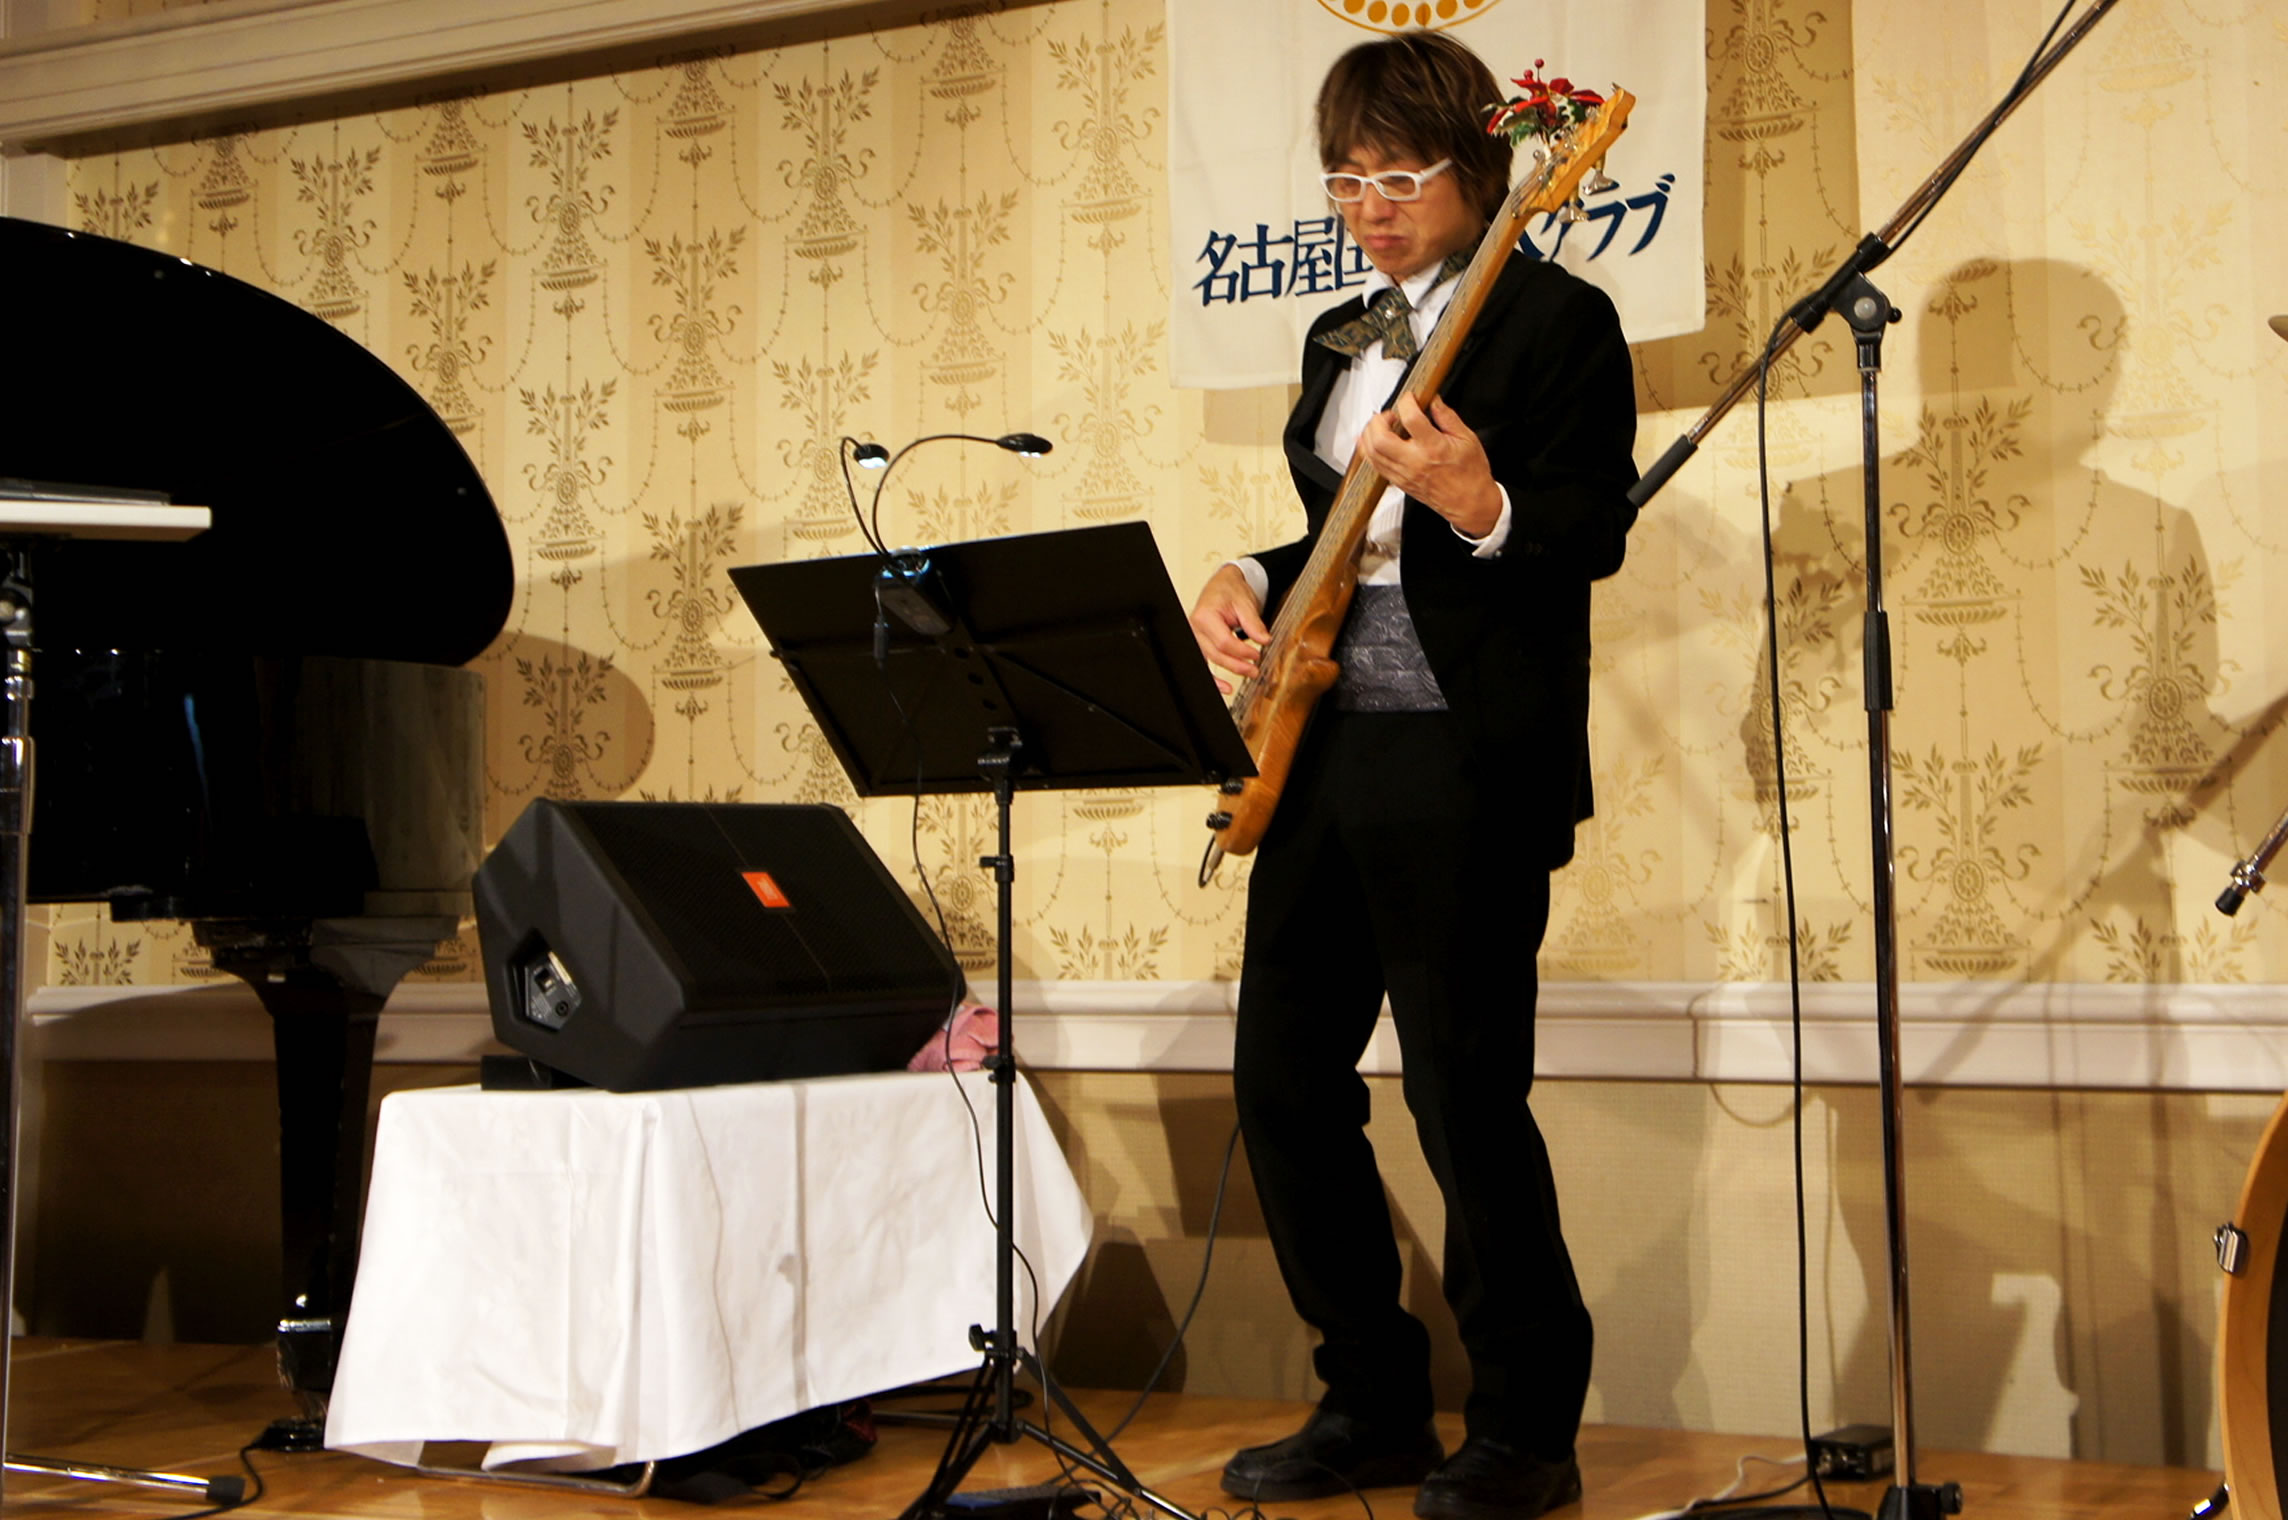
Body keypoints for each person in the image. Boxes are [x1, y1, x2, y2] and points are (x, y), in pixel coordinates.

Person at [1187, 30, 1639, 1520]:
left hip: (1466, 761)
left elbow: (1588, 525)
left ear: (1483, 169)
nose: (1368, 207)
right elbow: (1340, 531)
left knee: (1463, 1100)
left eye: (1399, 176)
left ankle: (1524, 1428)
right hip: (1322, 749)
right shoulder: (1339, 335)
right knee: (1282, 1083)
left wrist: (1481, 498)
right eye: (1345, 181)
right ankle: (1370, 1399)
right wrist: (1249, 574)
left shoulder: (1559, 321)